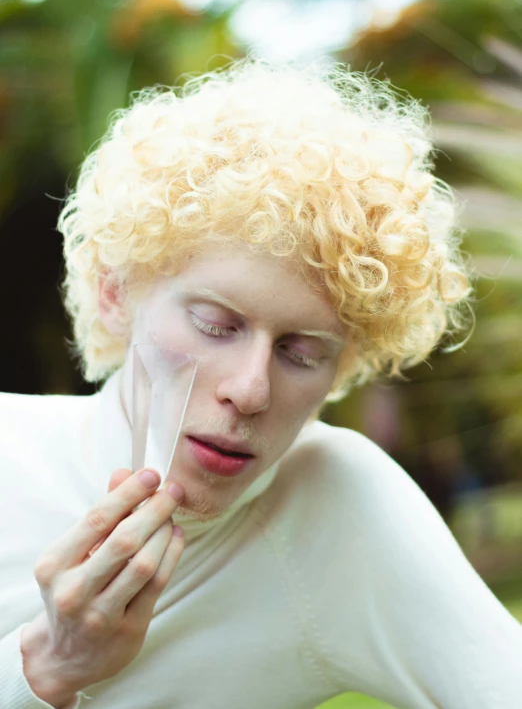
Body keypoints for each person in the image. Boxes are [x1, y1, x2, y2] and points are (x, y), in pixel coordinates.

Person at [1, 57, 521, 709]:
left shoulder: (338, 509)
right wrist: (46, 666)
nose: (250, 391)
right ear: (113, 292)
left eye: (303, 352)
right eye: (216, 324)